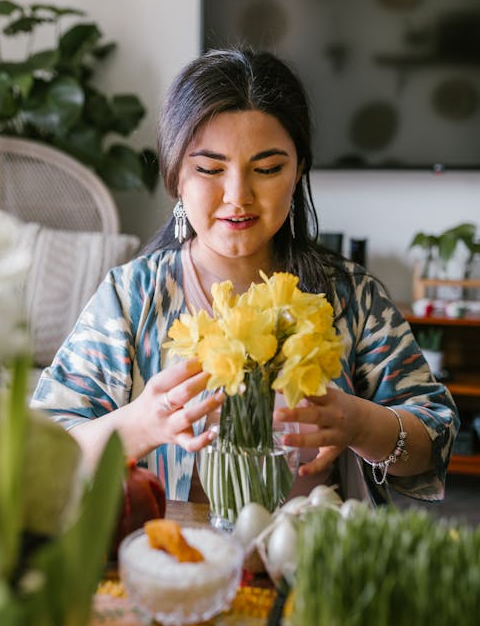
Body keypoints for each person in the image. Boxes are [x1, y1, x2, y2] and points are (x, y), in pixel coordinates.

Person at [31, 47, 459, 505]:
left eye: (268, 169)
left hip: (310, 561)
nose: (238, 196)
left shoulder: (350, 296)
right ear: (176, 175)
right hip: (176, 565)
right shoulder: (130, 297)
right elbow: (41, 448)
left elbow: (436, 436)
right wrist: (140, 424)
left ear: (298, 171)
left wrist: (360, 423)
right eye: (210, 169)